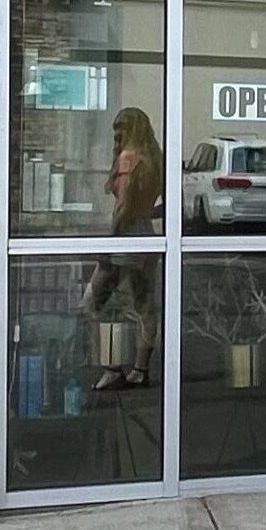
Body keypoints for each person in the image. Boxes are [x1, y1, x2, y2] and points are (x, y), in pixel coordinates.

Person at [82, 106, 164, 390]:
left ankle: (112, 366)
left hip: (125, 237)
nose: (117, 135)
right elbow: (168, 206)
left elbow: (122, 207)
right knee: (144, 307)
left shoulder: (129, 158)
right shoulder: (155, 158)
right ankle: (140, 369)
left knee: (93, 301)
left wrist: (109, 245)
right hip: (147, 238)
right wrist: (146, 216)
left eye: (121, 129)